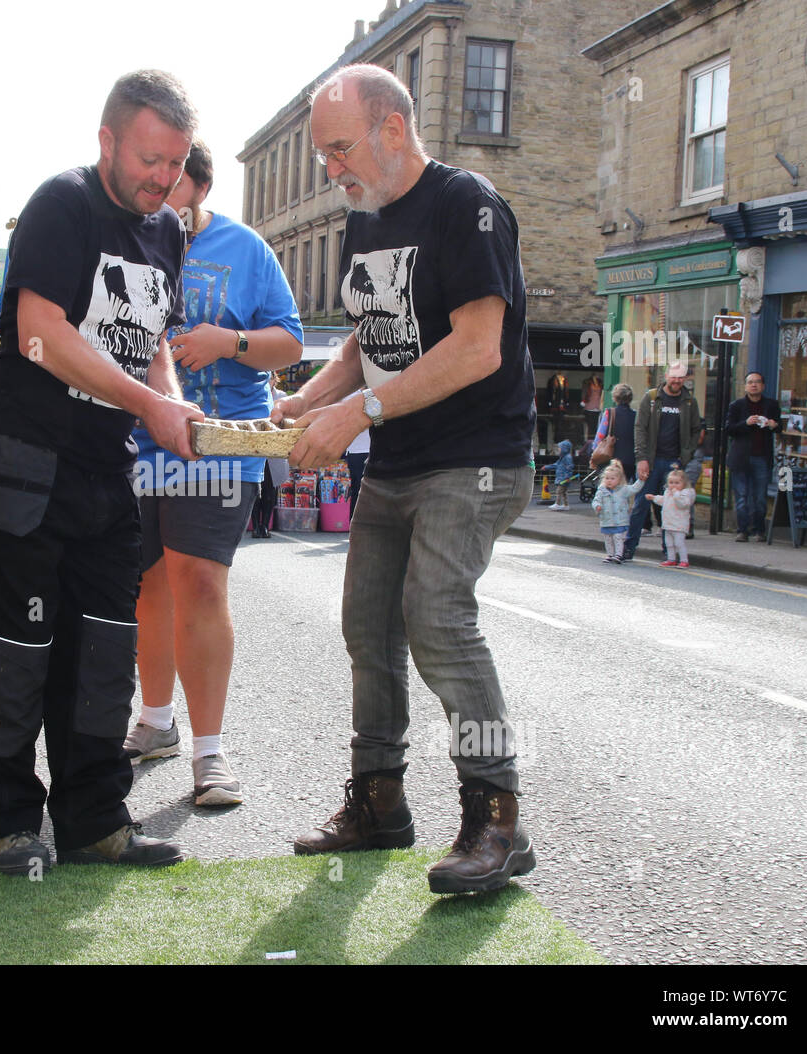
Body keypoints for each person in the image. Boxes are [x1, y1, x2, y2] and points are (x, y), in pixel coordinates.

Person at [279, 64, 537, 894]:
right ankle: (380, 802)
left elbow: (476, 347)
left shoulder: (469, 207)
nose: (332, 169)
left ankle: (498, 820)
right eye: (323, 154)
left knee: (438, 619)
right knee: (367, 630)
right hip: (396, 459)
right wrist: (305, 401)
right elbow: (366, 337)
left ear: (394, 129)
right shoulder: (365, 220)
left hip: (477, 456)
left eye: (341, 148)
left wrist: (354, 416)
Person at [0, 69, 204, 875]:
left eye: (175, 164)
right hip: (25, 469)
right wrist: (150, 404)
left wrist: (172, 404)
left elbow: (153, 337)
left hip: (107, 475)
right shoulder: (61, 205)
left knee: (103, 650)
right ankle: (10, 824)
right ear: (107, 141)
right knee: (18, 650)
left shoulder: (165, 230)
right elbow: (39, 331)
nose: (162, 179)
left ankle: (96, 820)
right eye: (149, 159)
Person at [122, 140, 303, 806]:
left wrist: (229, 342)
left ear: (198, 186)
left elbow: (288, 337)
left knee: (199, 580)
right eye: (151, 176)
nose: (159, 190)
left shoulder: (244, 248)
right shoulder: (125, 239)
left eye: (173, 181)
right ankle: (156, 720)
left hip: (223, 442)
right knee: (148, 585)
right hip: (140, 443)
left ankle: (210, 753)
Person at [622, 361, 701, 562]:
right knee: (641, 504)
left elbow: (695, 430)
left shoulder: (690, 402)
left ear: (685, 379)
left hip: (674, 463)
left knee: (669, 507)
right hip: (651, 460)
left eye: (681, 377)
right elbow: (640, 428)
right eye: (674, 376)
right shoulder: (651, 398)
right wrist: (641, 459)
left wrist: (686, 456)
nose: (677, 380)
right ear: (666, 376)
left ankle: (670, 552)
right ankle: (628, 548)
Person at [724, 372, 782, 542]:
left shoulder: (771, 405)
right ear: (745, 386)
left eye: (757, 382)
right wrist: (746, 423)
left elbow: (780, 428)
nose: (754, 385)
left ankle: (759, 530)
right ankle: (742, 530)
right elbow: (729, 429)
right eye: (750, 382)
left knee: (760, 497)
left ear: (763, 386)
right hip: (740, 457)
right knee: (741, 496)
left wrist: (773, 424)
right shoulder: (737, 406)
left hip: (762, 457)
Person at [591, 459, 645, 563]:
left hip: (620, 520)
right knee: (608, 539)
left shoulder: (623, 490)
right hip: (607, 519)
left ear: (619, 480)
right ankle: (610, 554)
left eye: (612, 478)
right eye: (607, 478)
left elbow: (634, 488)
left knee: (618, 537)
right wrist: (597, 506)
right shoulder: (601, 491)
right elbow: (595, 501)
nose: (609, 480)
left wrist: (641, 480)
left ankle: (619, 554)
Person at [647, 467, 696, 567]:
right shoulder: (668, 492)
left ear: (684, 483)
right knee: (669, 544)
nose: (673, 485)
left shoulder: (685, 494)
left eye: (677, 483)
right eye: (671, 482)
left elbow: (683, 504)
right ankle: (671, 559)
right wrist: (654, 498)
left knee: (679, 543)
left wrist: (676, 494)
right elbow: (664, 501)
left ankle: (684, 560)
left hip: (679, 524)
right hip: (668, 523)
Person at [549, 439, 573, 510]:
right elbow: (556, 465)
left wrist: (567, 476)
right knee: (564, 492)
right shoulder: (563, 457)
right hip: (562, 478)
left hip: (564, 478)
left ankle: (557, 504)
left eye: (560, 448)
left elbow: (569, 467)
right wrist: (547, 467)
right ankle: (566, 505)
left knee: (559, 491)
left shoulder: (567, 457)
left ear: (564, 449)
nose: (559, 449)